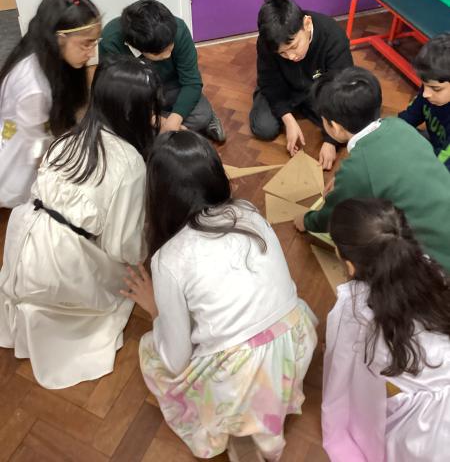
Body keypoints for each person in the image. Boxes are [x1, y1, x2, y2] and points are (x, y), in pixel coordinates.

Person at [121, 131, 317, 461]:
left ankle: (241, 422)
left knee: (153, 354)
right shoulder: (247, 211)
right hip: (295, 342)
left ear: (158, 196)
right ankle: (260, 415)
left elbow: (176, 359)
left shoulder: (168, 258)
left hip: (241, 375)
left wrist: (155, 310)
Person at [0, 57, 161, 389]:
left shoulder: (69, 138)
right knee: (123, 276)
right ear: (131, 113)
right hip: (60, 263)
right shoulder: (130, 163)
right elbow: (123, 245)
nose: (153, 118)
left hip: (21, 237)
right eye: (149, 110)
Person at [322, 198, 450, 462]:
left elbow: (341, 375)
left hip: (435, 429)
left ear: (350, 265)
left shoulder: (355, 314)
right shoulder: (431, 270)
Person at [295, 66, 450, 273]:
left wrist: (307, 221)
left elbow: (333, 214)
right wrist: (347, 177)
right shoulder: (398, 125)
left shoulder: (358, 170)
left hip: (435, 264)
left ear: (335, 127)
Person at [0, 0, 101, 208]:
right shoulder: (33, 87)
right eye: (86, 43)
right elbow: (35, 148)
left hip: (33, 132)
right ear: (60, 38)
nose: (92, 52)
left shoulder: (51, 58)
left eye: (95, 42)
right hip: (23, 149)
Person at [99, 0, 226, 142]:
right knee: (116, 123)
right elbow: (117, 93)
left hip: (170, 87)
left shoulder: (178, 29)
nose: (169, 54)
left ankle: (163, 132)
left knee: (202, 115)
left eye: (171, 44)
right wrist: (155, 119)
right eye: (160, 53)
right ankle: (170, 132)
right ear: (137, 47)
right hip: (136, 94)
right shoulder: (111, 40)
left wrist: (174, 120)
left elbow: (191, 82)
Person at [249, 0, 353, 169]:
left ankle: (307, 110)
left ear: (307, 24)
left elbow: (339, 88)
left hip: (319, 91)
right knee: (263, 128)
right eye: (282, 53)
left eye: (294, 46)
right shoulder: (268, 42)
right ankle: (298, 110)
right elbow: (269, 81)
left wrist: (331, 140)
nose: (291, 56)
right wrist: (288, 119)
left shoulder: (333, 35)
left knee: (350, 123)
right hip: (284, 89)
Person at [399, 33, 450, 171]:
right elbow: (410, 117)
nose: (426, 94)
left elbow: (441, 169)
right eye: (424, 85)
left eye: (435, 89)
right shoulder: (429, 92)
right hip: (438, 147)